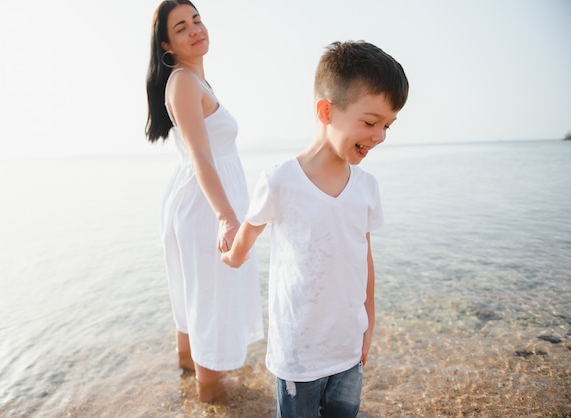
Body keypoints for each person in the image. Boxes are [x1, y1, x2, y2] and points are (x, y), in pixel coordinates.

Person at [221, 40, 409, 417]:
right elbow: (250, 230)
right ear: (326, 111)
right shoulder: (281, 181)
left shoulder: (367, 187)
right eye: (370, 122)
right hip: (298, 354)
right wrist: (231, 255)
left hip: (347, 349)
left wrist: (368, 322)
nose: (380, 136)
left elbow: (363, 257)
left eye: (387, 125)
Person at [145, 0, 263, 402]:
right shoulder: (181, 82)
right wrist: (227, 217)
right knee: (209, 301)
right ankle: (211, 400)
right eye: (181, 27)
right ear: (168, 44)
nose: (195, 29)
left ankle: (188, 385)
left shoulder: (195, 82)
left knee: (194, 297)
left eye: (196, 20)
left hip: (200, 201)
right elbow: (200, 156)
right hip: (205, 207)